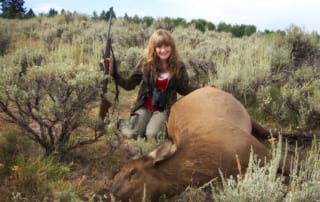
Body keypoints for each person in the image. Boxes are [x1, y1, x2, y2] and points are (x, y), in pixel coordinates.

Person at [105, 29, 198, 139]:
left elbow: (184, 88)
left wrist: (204, 90)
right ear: (154, 48)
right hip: (144, 106)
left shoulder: (179, 66)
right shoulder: (146, 63)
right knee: (132, 133)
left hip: (163, 109)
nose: (163, 50)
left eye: (166, 46)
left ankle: (150, 127)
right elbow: (129, 84)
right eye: (159, 47)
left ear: (172, 46)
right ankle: (120, 122)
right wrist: (114, 73)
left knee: (152, 135)